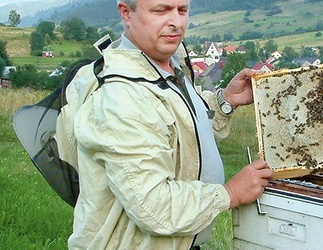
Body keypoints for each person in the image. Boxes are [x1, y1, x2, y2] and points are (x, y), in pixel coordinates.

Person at [62, 0, 274, 249]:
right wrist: (230, 193)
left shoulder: (166, 65)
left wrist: (225, 101)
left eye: (182, 10)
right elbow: (154, 206)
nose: (176, 22)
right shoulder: (123, 97)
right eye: (161, 10)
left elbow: (183, 134)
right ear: (126, 13)